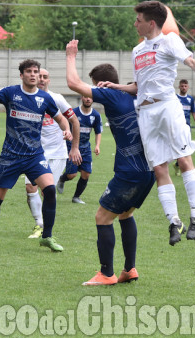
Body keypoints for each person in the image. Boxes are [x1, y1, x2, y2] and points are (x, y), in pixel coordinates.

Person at [98, 0, 195, 245]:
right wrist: (115, 86)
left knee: (184, 160)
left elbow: (189, 60)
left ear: (151, 23)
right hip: (146, 113)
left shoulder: (170, 40)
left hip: (167, 106)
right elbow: (139, 86)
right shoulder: (136, 51)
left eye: (138, 20)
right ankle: (174, 222)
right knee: (159, 168)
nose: (135, 23)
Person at [66, 40, 155, 285]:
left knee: (102, 217)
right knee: (125, 215)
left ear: (100, 84)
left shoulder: (112, 95)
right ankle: (130, 269)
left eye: (94, 87)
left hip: (129, 171)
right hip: (149, 169)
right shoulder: (136, 94)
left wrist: (71, 55)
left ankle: (106, 274)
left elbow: (73, 84)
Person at [0, 59, 82, 252]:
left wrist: (66, 130)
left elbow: (62, 120)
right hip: (11, 155)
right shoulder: (10, 92)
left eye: (36, 72)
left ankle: (47, 237)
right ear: (22, 75)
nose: (34, 75)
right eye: (29, 72)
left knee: (49, 190)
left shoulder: (45, 98)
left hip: (34, 155)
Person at [24, 68, 81, 239]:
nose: (41, 79)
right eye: (39, 76)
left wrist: (75, 147)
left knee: (47, 190)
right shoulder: (28, 99)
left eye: (45, 77)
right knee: (30, 187)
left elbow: (74, 121)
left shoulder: (57, 99)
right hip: (35, 152)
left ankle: (46, 229)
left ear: (49, 80)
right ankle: (39, 224)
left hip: (56, 153)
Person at [56, 96, 102, 204]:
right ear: (82, 98)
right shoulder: (73, 112)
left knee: (86, 174)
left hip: (85, 147)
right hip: (72, 146)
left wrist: (97, 145)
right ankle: (62, 179)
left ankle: (76, 197)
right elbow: (63, 124)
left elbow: (98, 132)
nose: (88, 99)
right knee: (72, 175)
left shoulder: (95, 115)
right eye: (86, 97)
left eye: (90, 97)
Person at [174, 79, 195, 176]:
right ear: (179, 87)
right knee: (180, 148)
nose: (184, 88)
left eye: (185, 86)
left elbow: (194, 112)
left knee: (186, 148)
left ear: (188, 87)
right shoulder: (175, 98)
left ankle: (178, 165)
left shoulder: (190, 99)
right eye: (182, 86)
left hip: (187, 128)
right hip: (176, 127)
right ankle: (181, 165)